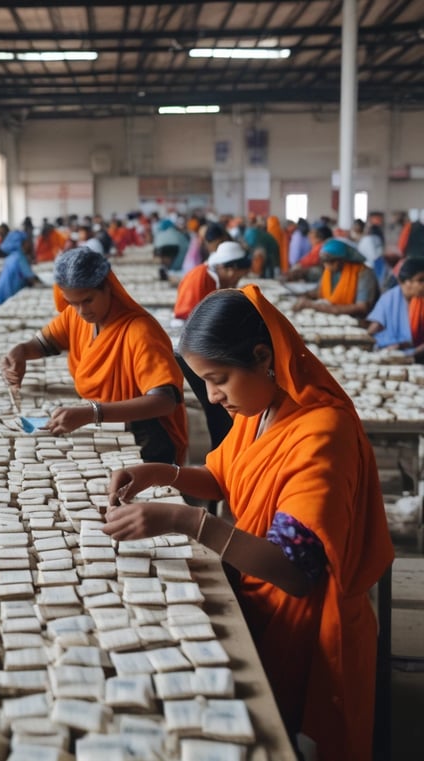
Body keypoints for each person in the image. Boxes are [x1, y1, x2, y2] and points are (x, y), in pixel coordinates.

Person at [104, 285, 393, 761]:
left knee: (290, 740)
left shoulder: (322, 432)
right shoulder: (261, 408)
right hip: (258, 595)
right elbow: (225, 476)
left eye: (218, 380)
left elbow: (295, 571)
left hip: (308, 631)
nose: (213, 398)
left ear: (263, 356)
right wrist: (159, 472)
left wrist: (186, 520)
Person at [0, 247, 188, 464]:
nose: (81, 310)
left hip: (148, 436)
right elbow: (42, 343)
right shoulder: (76, 317)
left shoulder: (139, 332)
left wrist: (92, 413)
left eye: (87, 300)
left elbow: (164, 401)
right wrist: (20, 352)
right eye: (72, 303)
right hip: (110, 425)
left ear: (108, 288)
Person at [173, 241, 251, 450]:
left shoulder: (210, 276)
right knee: (217, 405)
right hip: (192, 349)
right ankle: (222, 451)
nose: (237, 280)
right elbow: (192, 318)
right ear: (229, 268)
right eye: (238, 275)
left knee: (218, 404)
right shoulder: (201, 278)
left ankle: (223, 450)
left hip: (200, 347)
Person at [293, 237, 378, 318]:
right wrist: (300, 295)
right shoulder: (330, 271)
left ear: (342, 260)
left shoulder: (363, 272)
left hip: (357, 320)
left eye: (331, 262)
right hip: (332, 314)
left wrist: (313, 305)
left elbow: (362, 307)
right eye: (325, 263)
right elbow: (319, 291)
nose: (327, 267)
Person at [366, 257, 424, 360]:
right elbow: (373, 329)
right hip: (390, 353)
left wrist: (410, 352)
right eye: (420, 280)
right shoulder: (389, 298)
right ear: (407, 282)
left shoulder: (421, 301)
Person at [0, 230, 40, 306]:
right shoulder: (20, 257)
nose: (28, 244)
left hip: (1, 293)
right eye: (26, 242)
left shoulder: (12, 256)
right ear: (20, 243)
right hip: (8, 294)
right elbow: (30, 278)